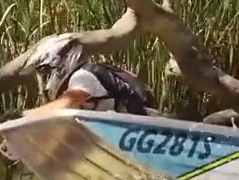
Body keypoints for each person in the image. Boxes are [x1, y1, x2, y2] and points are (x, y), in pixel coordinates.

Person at [21, 33, 155, 118]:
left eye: (45, 72)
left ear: (60, 61)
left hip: (139, 129)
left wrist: (22, 116)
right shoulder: (86, 74)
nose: (44, 82)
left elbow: (67, 103)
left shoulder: (83, 76)